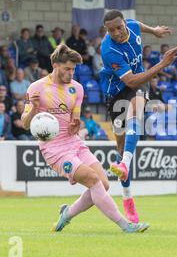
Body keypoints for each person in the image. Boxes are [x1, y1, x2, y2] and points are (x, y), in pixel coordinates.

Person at [21, 43, 149, 233]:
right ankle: (125, 225)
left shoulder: (77, 89)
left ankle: (67, 213)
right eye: (67, 69)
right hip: (54, 149)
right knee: (92, 179)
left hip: (73, 142)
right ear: (55, 65)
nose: (71, 73)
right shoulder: (36, 88)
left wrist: (76, 124)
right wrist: (32, 109)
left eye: (73, 69)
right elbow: (25, 124)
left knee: (103, 184)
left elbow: (75, 121)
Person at [99, 9, 177, 223]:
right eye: (111, 30)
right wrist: (162, 64)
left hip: (139, 84)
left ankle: (125, 163)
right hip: (116, 91)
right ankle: (127, 197)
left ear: (124, 23)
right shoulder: (108, 49)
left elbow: (138, 25)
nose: (116, 33)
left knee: (135, 110)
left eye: (118, 27)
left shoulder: (132, 26)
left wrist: (154, 31)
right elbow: (130, 81)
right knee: (121, 143)